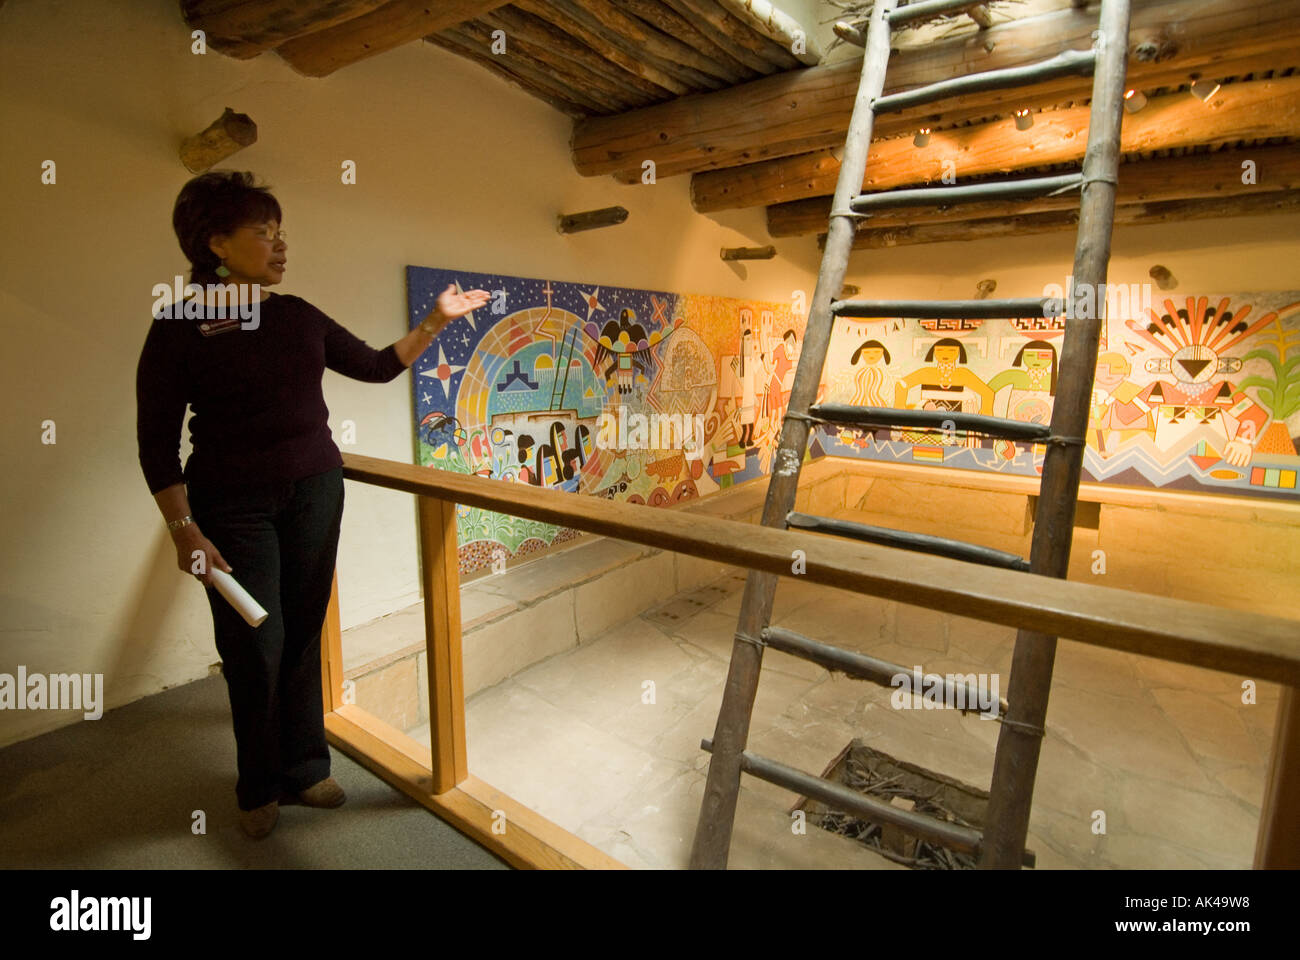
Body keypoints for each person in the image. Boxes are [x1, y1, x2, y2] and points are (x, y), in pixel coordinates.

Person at [136, 171, 488, 839]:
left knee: (301, 631)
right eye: (262, 233)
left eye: (280, 232)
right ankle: (257, 782)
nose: (280, 245)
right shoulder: (178, 326)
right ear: (215, 243)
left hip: (316, 489)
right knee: (254, 642)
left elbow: (379, 366)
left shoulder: (297, 314)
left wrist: (436, 319)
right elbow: (154, 441)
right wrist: (185, 531)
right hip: (229, 505)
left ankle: (304, 765)